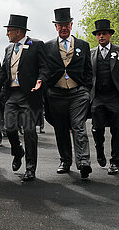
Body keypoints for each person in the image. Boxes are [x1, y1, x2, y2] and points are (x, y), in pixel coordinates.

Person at [0, 14, 46, 181]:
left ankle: (30, 168)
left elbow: (44, 68)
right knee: (10, 127)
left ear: (19, 31)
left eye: (9, 31)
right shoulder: (8, 49)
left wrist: (40, 80)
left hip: (29, 95)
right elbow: (3, 72)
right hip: (12, 95)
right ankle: (17, 151)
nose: (7, 34)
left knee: (29, 131)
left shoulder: (36, 45)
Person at [44, 7, 93, 178]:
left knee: (79, 126)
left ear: (71, 25)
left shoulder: (83, 45)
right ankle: (65, 160)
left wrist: (86, 90)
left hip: (78, 93)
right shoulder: (47, 47)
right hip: (56, 94)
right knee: (61, 129)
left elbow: (88, 71)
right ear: (55, 27)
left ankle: (84, 162)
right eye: (60, 25)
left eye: (66, 24)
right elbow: (44, 70)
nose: (64, 28)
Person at [90, 19, 119, 175]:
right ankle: (100, 151)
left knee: (117, 131)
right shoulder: (91, 53)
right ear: (96, 36)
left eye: (104, 34)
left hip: (115, 97)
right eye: (99, 34)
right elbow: (87, 76)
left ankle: (115, 162)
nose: (101, 36)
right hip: (98, 98)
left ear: (110, 35)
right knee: (97, 129)